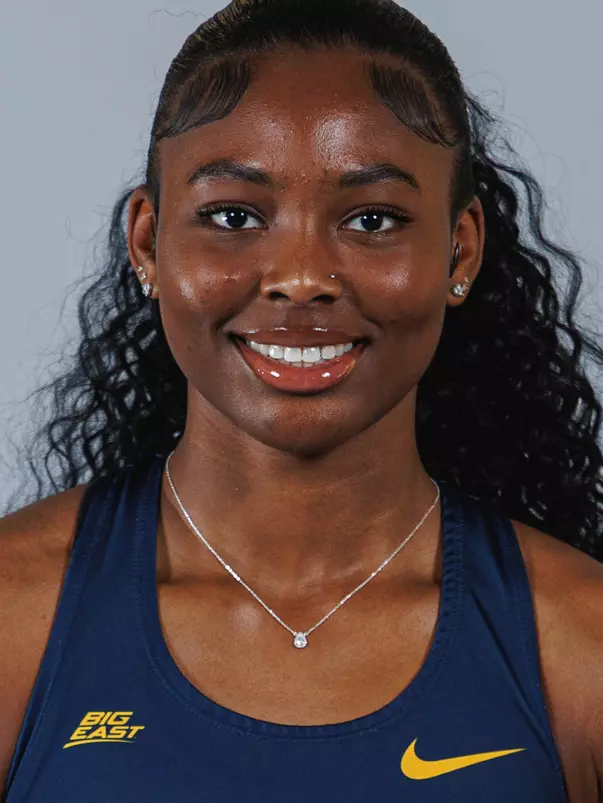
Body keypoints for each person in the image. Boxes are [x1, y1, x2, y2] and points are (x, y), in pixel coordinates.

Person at [1, 0, 603, 799]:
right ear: (148, 242)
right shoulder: (16, 615)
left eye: (372, 218)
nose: (300, 275)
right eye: (232, 215)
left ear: (459, 251)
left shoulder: (580, 645)